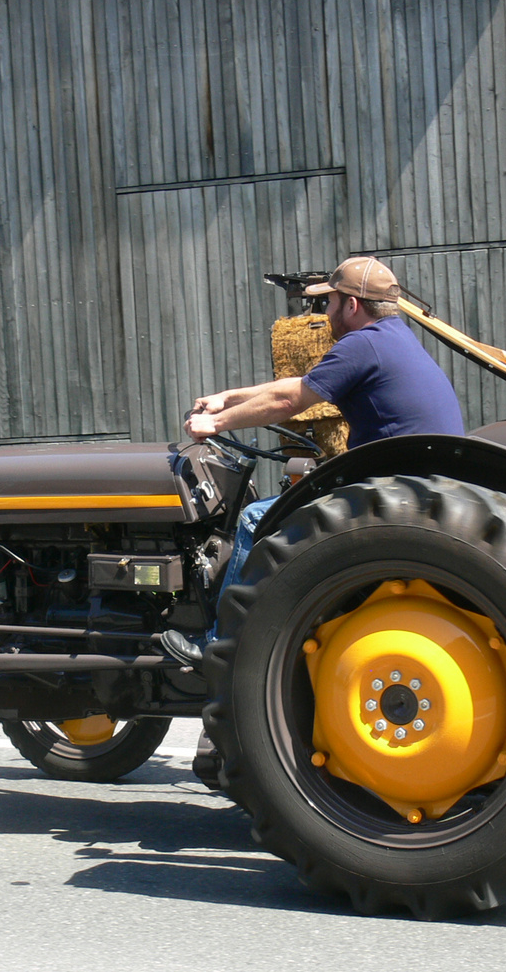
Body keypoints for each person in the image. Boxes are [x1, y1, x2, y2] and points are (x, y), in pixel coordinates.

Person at [161, 256, 465, 667]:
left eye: (330, 302)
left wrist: (214, 424)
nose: (326, 312)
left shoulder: (363, 343)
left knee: (254, 518)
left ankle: (220, 646)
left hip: (391, 490)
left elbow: (289, 401)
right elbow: (305, 385)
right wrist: (229, 398)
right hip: (414, 483)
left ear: (351, 305)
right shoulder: (391, 337)